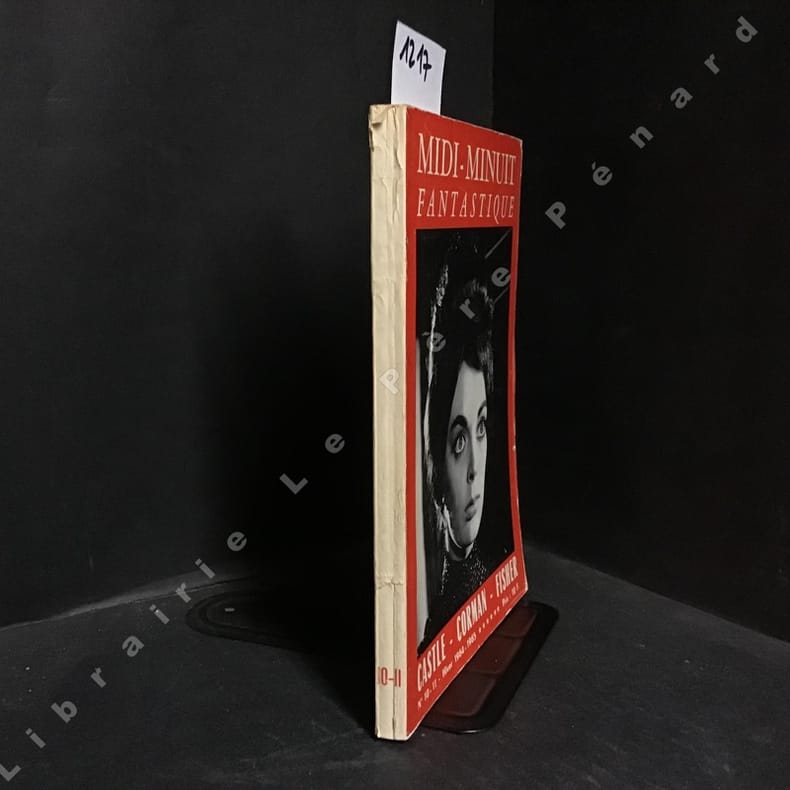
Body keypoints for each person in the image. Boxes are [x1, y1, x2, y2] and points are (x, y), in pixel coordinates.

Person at [418, 238, 495, 652]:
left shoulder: (484, 584)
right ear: (434, 458)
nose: (475, 469)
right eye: (459, 440)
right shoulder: (435, 617)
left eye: (481, 427)